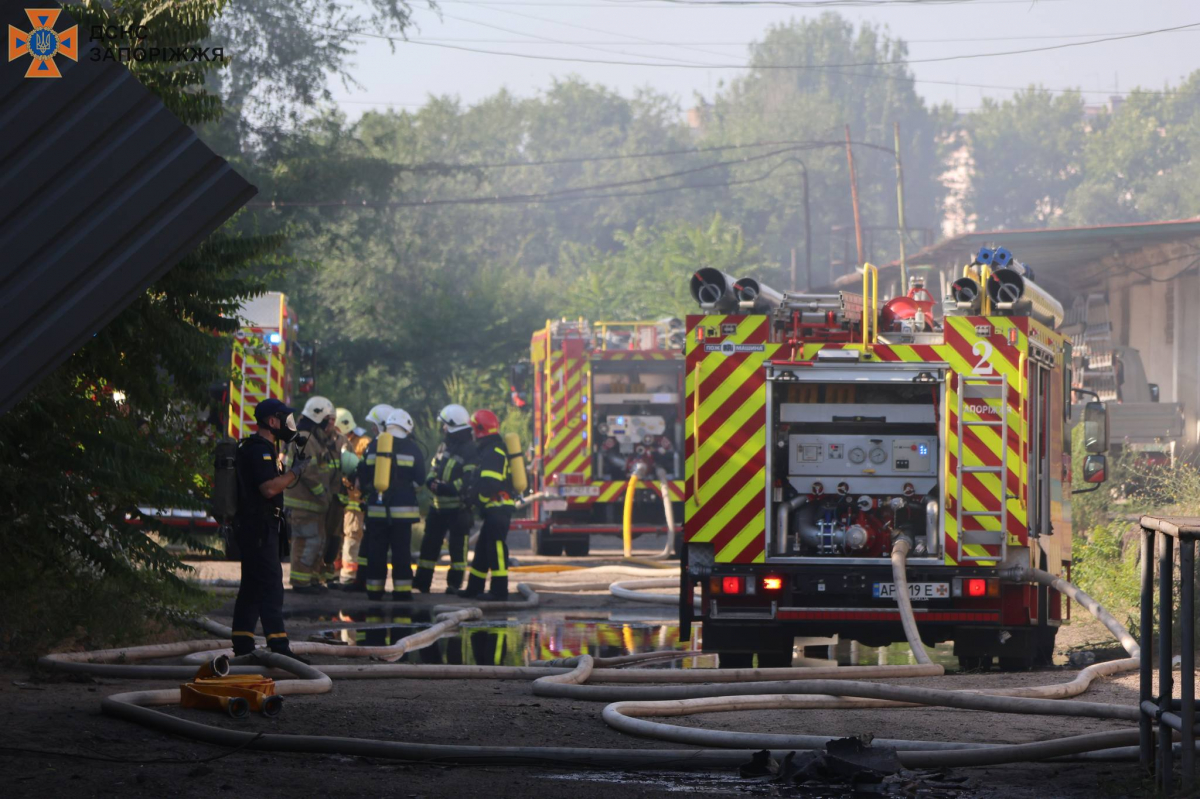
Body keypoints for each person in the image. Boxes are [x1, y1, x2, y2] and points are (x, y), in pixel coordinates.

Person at [230, 398, 309, 660]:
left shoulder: (266, 449)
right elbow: (269, 488)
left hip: (261, 526)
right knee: (271, 586)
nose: (290, 424)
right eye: (285, 419)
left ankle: (243, 646)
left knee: (252, 586)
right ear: (272, 421)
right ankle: (279, 648)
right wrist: (295, 472)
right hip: (258, 527)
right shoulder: (259, 450)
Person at [357, 407, 426, 601]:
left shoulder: (373, 445)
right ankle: (402, 592)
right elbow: (421, 479)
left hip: (377, 509)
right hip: (403, 512)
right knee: (401, 551)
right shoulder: (413, 448)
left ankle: (374, 590)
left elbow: (363, 475)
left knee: (376, 550)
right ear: (407, 428)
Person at [413, 404, 476, 594]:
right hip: (437, 507)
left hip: (458, 509)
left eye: (445, 425)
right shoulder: (444, 446)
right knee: (429, 546)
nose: (443, 429)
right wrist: (431, 482)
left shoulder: (469, 449)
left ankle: (454, 585)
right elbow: (433, 468)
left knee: (458, 550)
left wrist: (446, 488)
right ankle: (422, 583)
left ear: (454, 425)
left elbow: (469, 480)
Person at [459, 409, 515, 601]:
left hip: (498, 509)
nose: (472, 433)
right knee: (483, 548)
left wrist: (474, 499)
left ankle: (499, 590)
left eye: (474, 429)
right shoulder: (489, 450)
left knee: (495, 547)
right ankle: (474, 588)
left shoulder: (493, 452)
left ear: (480, 430)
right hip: (494, 509)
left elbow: (490, 484)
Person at [283, 396, 338, 594]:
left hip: (315, 505)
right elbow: (308, 472)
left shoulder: (315, 439)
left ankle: (311, 579)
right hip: (305, 504)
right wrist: (322, 494)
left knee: (317, 542)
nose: (330, 423)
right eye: (328, 419)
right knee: (305, 542)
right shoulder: (304, 439)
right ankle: (300, 583)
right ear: (319, 418)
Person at [336, 409, 374, 590]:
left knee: (352, 536)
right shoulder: (337, 441)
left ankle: (349, 575)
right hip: (340, 500)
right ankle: (334, 574)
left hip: (356, 501)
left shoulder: (364, 443)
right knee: (337, 537)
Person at [320, 408, 356, 588]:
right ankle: (314, 575)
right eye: (327, 420)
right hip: (318, 498)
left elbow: (352, 468)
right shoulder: (313, 440)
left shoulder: (342, 441)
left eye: (333, 420)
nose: (330, 424)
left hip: (336, 499)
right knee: (317, 537)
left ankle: (329, 575)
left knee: (334, 539)